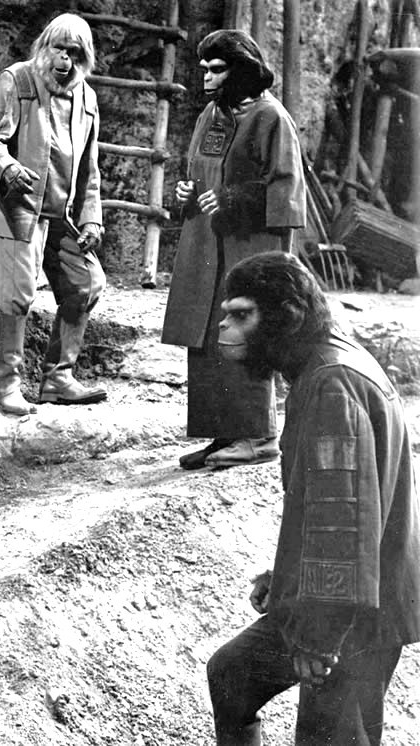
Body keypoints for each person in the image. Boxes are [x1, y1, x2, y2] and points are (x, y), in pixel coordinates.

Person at [206, 252, 420, 745]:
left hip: (359, 613)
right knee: (233, 675)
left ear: (286, 315)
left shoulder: (331, 385)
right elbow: (336, 505)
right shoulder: (326, 364)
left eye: (242, 314)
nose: (225, 327)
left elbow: (344, 522)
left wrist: (320, 638)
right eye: (226, 314)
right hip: (355, 591)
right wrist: (287, 578)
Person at [161, 30, 306, 469]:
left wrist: (232, 199)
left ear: (240, 71)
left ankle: (259, 437)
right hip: (207, 247)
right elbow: (201, 172)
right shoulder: (212, 114)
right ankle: (224, 433)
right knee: (209, 336)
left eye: (217, 69)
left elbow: (287, 192)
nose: (206, 76)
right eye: (204, 68)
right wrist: (186, 192)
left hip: (251, 249)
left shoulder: (271, 117)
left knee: (246, 332)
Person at [0, 12, 107, 415]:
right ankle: (7, 385)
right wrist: (8, 167)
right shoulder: (17, 80)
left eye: (75, 53)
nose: (65, 60)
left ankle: (58, 378)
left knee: (86, 282)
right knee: (17, 296)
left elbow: (90, 168)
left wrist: (91, 217)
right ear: (44, 47)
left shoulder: (87, 98)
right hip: (18, 209)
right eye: (59, 49)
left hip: (61, 214)